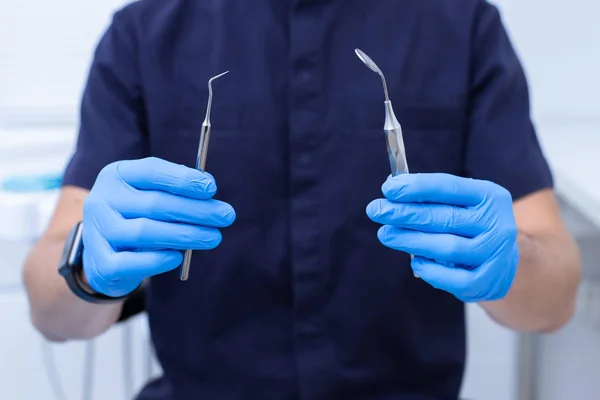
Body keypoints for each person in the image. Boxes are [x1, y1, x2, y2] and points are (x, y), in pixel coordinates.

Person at [23, 1, 581, 399]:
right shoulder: (143, 34)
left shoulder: (463, 25)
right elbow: (51, 311)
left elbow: (554, 300)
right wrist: (85, 269)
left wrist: (514, 264)